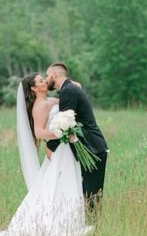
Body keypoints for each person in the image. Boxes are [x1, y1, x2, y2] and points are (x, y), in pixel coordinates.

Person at [0, 72, 93, 236]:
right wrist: (63, 133)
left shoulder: (50, 99)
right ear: (34, 88)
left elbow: (67, 101)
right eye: (41, 81)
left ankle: (71, 221)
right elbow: (40, 133)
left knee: (64, 182)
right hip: (61, 148)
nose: (45, 81)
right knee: (58, 183)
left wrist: (71, 85)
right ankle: (57, 225)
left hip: (66, 148)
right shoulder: (39, 106)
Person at [45, 62, 108, 211]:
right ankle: (90, 225)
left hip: (92, 148)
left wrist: (50, 146)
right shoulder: (68, 89)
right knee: (87, 193)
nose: (46, 79)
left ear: (55, 74)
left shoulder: (68, 90)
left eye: (47, 75)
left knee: (92, 195)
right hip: (88, 146)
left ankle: (93, 228)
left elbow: (66, 125)